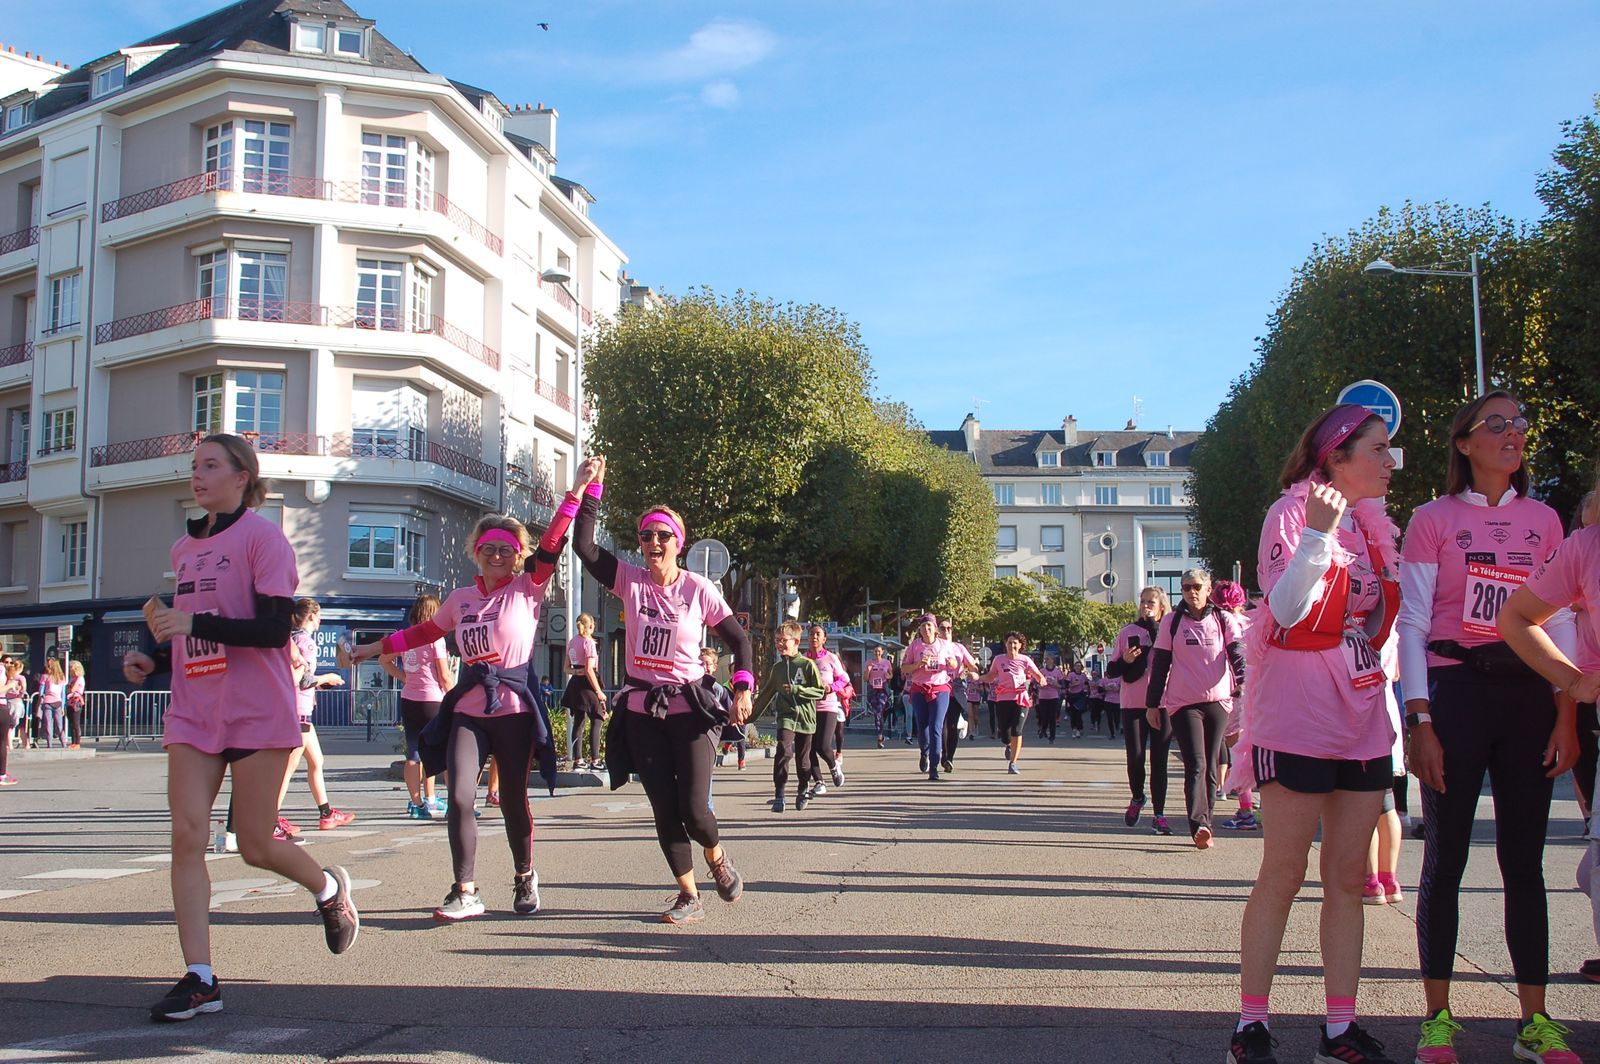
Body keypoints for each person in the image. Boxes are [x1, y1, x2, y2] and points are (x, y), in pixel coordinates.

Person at [122, 433, 358, 1022]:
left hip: (257, 709)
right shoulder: (184, 548)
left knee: (254, 843)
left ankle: (329, 890)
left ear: (241, 476)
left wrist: (192, 623)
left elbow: (275, 631)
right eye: (194, 466)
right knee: (187, 836)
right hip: (194, 710)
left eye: (210, 465)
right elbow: (189, 631)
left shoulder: (263, 538)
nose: (197, 475)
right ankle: (201, 978)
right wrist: (152, 657)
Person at [1403, 392, 1581, 1064]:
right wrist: (1420, 719)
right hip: (1457, 694)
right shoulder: (1432, 519)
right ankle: (1437, 1020)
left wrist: (1567, 712)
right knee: (1446, 857)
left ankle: (1534, 1023)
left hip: (1529, 698)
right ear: (1465, 443)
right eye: (1497, 424)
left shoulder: (1545, 520)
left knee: (1524, 863)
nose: (1514, 433)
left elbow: (1563, 621)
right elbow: (1413, 624)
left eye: (1521, 424)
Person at [1226, 404, 1400, 1064]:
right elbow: (1287, 610)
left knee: (1348, 877)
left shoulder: (1374, 525)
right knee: (1284, 870)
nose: (1390, 461)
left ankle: (1339, 1026)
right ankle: (1251, 1022)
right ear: (1336, 457)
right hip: (1296, 711)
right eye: (1378, 449)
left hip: (1363, 715)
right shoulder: (1291, 513)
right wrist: (1318, 537)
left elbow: (1379, 619)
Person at [348, 495, 579, 922]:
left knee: (512, 799)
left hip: (513, 711)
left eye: (507, 549)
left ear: (519, 556)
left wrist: (577, 494)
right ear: (476, 551)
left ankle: (525, 875)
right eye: (489, 548)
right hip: (469, 710)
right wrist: (372, 648)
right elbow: (422, 633)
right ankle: (465, 890)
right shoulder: (460, 599)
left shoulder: (528, 587)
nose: (497, 555)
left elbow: (551, 543)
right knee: (458, 796)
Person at [573, 455, 750, 924]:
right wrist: (590, 488)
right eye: (647, 535)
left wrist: (742, 688)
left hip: (690, 711)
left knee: (694, 810)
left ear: (678, 543)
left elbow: (740, 640)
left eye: (663, 536)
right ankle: (688, 894)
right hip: (642, 712)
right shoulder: (630, 581)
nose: (653, 542)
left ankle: (716, 856)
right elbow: (585, 547)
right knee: (664, 809)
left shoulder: (698, 589)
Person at [1146, 568, 1245, 849]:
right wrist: (1153, 704)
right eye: (1186, 587)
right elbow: (1160, 663)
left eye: (1197, 586)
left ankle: (1207, 823)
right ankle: (1198, 824)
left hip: (1218, 701)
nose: (1192, 592)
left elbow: (1237, 656)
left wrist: (1245, 686)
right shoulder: (1172, 622)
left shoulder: (1223, 619)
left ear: (1208, 588)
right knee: (1196, 764)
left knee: (1212, 765)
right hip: (1183, 704)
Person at [277, 599, 353, 838]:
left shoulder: (290, 639)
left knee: (316, 761)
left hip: (299, 709)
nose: (320, 620)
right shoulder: (306, 643)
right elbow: (303, 680)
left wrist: (322, 683)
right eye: (319, 616)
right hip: (298, 711)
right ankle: (271, 819)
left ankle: (326, 813)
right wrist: (328, 677)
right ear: (310, 616)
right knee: (287, 769)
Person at [379, 593, 455, 819]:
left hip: (409, 699)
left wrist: (405, 677)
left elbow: (383, 660)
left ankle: (418, 803)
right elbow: (444, 676)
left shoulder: (404, 637)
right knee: (444, 752)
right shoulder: (435, 640)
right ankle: (456, 804)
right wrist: (455, 697)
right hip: (433, 699)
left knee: (414, 752)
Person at [1107, 587, 1174, 834]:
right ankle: (1137, 797)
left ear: (1161, 606)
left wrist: (1155, 628)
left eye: (1151, 602)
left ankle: (1159, 814)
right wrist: (1125, 660)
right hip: (1133, 703)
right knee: (1135, 757)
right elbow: (1111, 671)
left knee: (1159, 760)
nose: (1146, 606)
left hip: (1163, 703)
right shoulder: (1128, 632)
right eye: (1143, 601)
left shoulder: (1169, 631)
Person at [752, 620, 826, 812]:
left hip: (806, 719)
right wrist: (748, 717)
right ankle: (779, 795)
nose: (779, 644)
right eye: (777, 640)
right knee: (783, 752)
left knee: (803, 760)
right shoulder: (777, 669)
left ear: (796, 641)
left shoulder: (807, 665)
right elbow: (766, 694)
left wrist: (798, 690)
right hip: (786, 717)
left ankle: (803, 789)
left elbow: (819, 691)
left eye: (784, 640)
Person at [1210, 580, 1258, 831]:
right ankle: (1256, 806)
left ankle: (1246, 809)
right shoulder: (1252, 623)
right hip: (1258, 691)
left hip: (1232, 693)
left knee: (1237, 752)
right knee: (1255, 751)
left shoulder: (1220, 624)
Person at [902, 614, 961, 781]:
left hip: (940, 688)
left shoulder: (945, 644)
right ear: (920, 630)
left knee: (936, 726)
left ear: (935, 629)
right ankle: (924, 753)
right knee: (923, 726)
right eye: (923, 626)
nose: (926, 629)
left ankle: (934, 767)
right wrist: (918, 664)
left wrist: (951, 663)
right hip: (919, 689)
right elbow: (904, 668)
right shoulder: (915, 646)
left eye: (929, 626)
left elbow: (955, 663)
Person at [984, 631, 1046, 774]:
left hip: (1021, 699)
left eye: (1015, 643)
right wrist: (977, 677)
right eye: (1009, 642)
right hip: (1003, 699)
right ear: (1005, 644)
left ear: (1020, 645)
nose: (1012, 645)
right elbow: (990, 676)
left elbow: (1038, 674)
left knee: (1017, 730)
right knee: (1004, 734)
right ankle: (1008, 744)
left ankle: (1013, 763)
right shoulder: (998, 659)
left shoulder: (1025, 660)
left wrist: (1041, 679)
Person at [805, 624, 848, 796]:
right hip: (808, 708)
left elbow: (844, 679)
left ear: (824, 638)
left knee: (822, 746)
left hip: (828, 707)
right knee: (808, 748)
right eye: (811, 634)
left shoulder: (831, 658)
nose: (814, 637)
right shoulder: (803, 660)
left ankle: (834, 767)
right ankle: (819, 782)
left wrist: (831, 688)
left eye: (818, 634)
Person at [562, 613, 608, 770]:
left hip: (575, 683)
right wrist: (598, 691)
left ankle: (578, 760)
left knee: (579, 721)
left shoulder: (572, 642)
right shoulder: (588, 643)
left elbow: (566, 668)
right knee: (598, 718)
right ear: (591, 626)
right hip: (588, 684)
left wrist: (576, 672)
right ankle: (595, 760)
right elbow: (589, 669)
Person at [939, 618, 980, 773]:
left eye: (949, 628)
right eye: (942, 628)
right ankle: (943, 753)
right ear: (937, 631)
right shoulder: (934, 647)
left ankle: (949, 758)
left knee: (951, 725)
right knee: (940, 725)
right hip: (938, 688)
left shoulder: (959, 648)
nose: (946, 631)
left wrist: (973, 671)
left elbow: (972, 665)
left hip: (955, 689)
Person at [705, 647, 746, 769]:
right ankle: (728, 743)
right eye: (733, 671)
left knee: (741, 735)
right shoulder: (725, 687)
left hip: (740, 714)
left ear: (714, 667)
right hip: (701, 730)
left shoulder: (720, 689)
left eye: (707, 664)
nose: (704, 667)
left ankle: (741, 760)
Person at [865, 644, 893, 748]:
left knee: (879, 710)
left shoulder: (886, 663)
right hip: (873, 690)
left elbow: (891, 675)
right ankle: (880, 734)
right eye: (875, 651)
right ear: (873, 652)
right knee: (876, 713)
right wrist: (868, 671)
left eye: (879, 651)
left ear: (882, 652)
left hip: (882, 690)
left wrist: (888, 676)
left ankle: (880, 736)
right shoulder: (869, 663)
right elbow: (865, 679)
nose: (877, 653)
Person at [0, 658, 20, 785]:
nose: (8, 664)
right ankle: (1, 775)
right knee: (2, 742)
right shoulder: (1, 669)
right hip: (1, 706)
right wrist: (10, 685)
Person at [1036, 654, 1064, 743]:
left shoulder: (1057, 672)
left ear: (1053, 660)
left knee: (1052, 717)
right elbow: (1036, 684)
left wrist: (1055, 684)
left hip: (1054, 697)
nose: (1046, 660)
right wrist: (1042, 685)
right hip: (1043, 697)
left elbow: (1062, 686)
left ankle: (1052, 736)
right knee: (1044, 715)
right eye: (1046, 659)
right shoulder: (1041, 671)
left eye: (1048, 659)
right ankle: (1043, 729)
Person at [38, 658, 64, 748]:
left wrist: (41, 697)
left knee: (48, 724)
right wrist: (63, 706)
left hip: (47, 701)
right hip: (58, 702)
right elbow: (63, 693)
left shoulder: (45, 676)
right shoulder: (61, 677)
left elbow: (41, 691)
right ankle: (63, 743)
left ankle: (49, 744)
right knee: (59, 724)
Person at [1064, 661, 1089, 738]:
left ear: (1081, 667)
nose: (1078, 667)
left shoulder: (1083, 675)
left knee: (1078, 713)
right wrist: (1074, 684)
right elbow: (1067, 685)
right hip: (1072, 696)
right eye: (1076, 666)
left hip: (1080, 696)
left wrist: (1086, 689)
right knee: (1073, 713)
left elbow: (1087, 684)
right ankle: (1074, 728)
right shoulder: (1071, 675)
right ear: (1074, 667)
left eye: (1079, 666)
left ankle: (1078, 729)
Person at [65, 660, 85, 749]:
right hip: (70, 701)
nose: (69, 669)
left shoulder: (80, 678)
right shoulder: (72, 678)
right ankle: (73, 742)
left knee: (76, 723)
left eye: (71, 668)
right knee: (71, 723)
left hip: (76, 701)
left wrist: (69, 688)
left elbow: (72, 689)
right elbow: (67, 689)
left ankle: (77, 742)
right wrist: (69, 689)